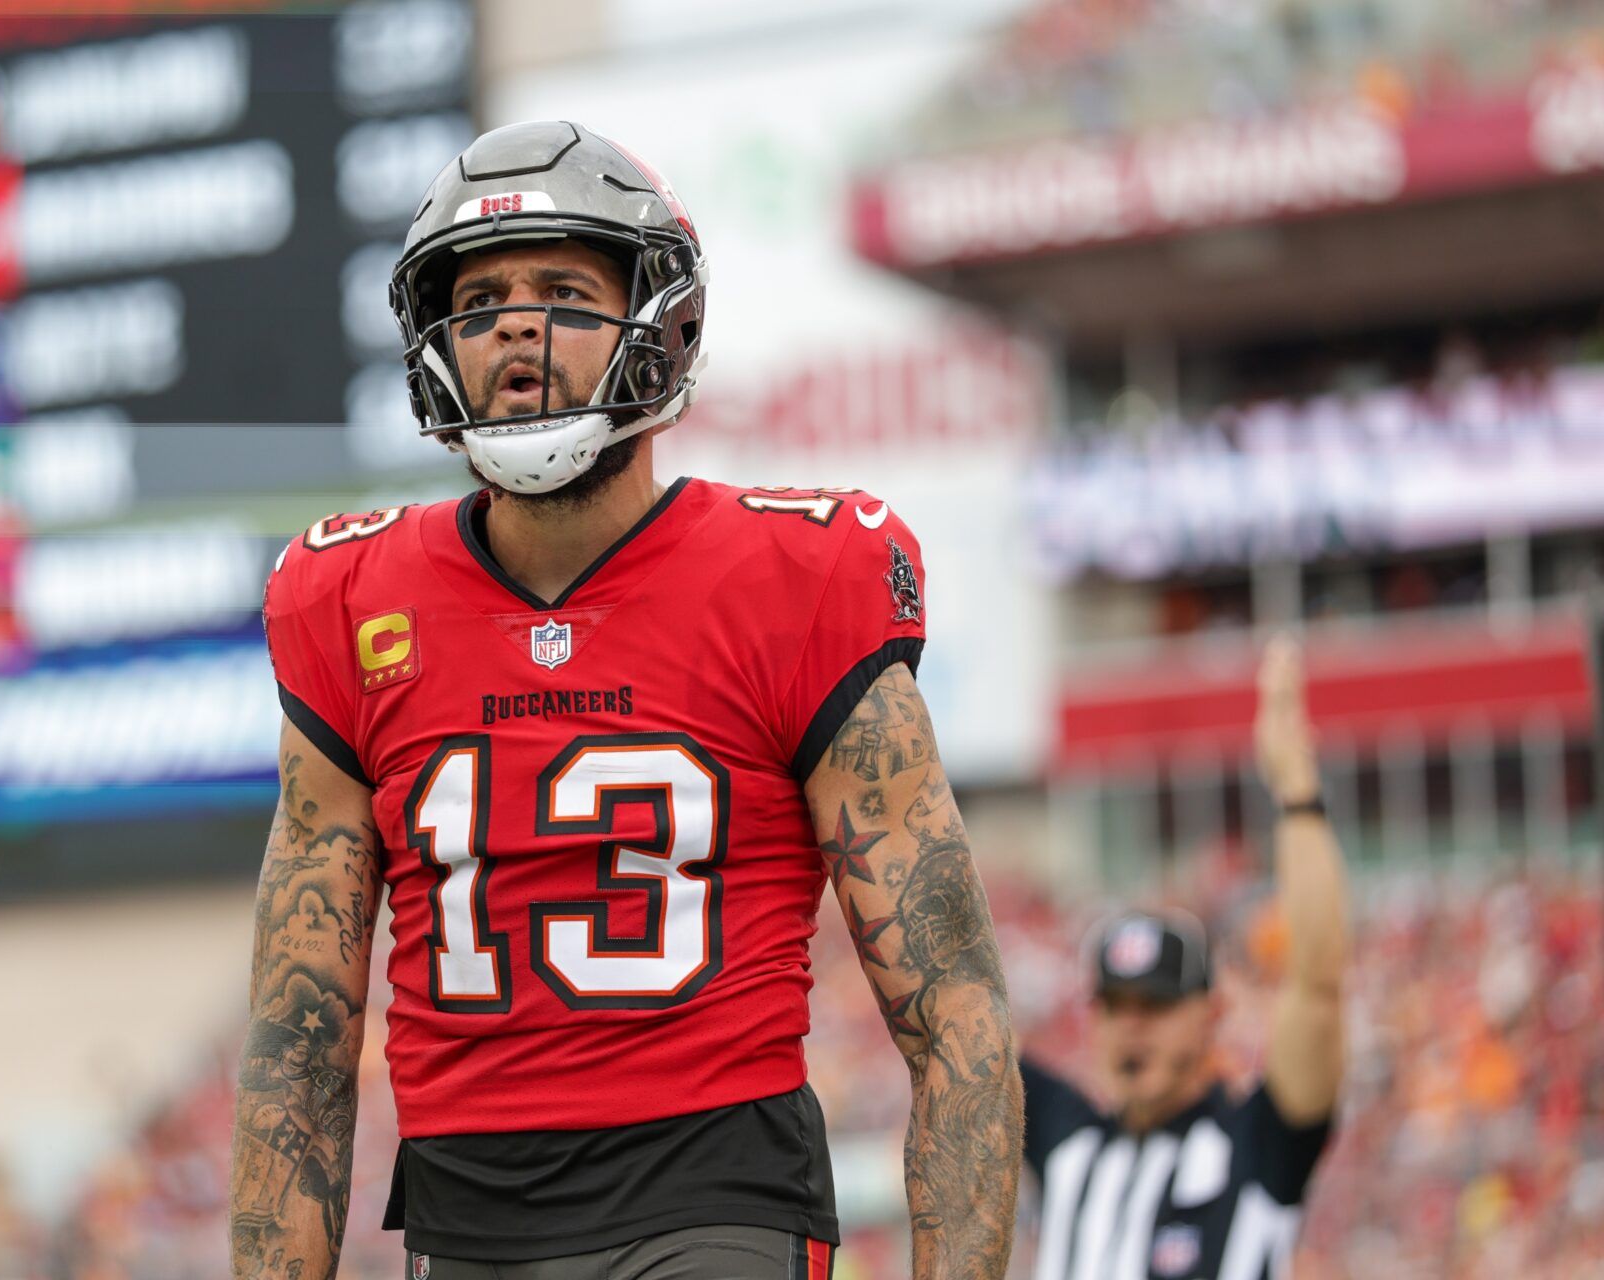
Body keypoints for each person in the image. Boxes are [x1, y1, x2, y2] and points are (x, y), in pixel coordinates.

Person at [228, 121, 1021, 1279]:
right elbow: (297, 1043)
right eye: (483, 294)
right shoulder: (346, 595)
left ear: (662, 321)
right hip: (460, 1224)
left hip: (717, 1195)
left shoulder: (799, 576)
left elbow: (955, 1008)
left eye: (562, 287)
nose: (514, 321)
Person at [1020, 638, 1348, 1280]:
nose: (1132, 1025)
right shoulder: (1070, 1143)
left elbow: (1318, 986)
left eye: (1157, 1006)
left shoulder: (1253, 1145)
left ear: (1212, 1012)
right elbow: (951, 1010)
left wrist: (1298, 790)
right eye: (1115, 1006)